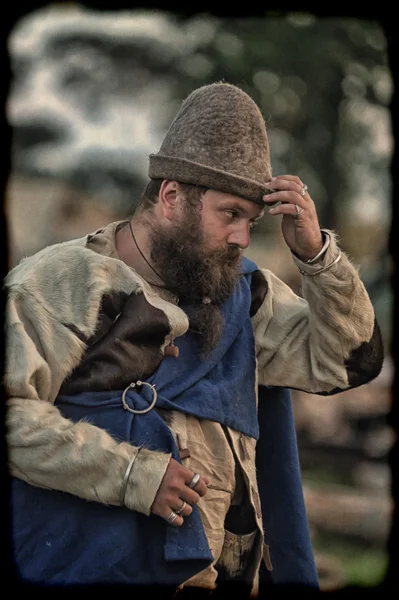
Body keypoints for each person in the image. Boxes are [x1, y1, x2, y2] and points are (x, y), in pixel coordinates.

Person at [4, 82, 384, 595]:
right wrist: (131, 474)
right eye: (230, 214)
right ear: (171, 196)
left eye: (250, 221)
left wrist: (318, 257)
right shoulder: (59, 283)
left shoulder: (245, 297)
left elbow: (349, 359)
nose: (242, 238)